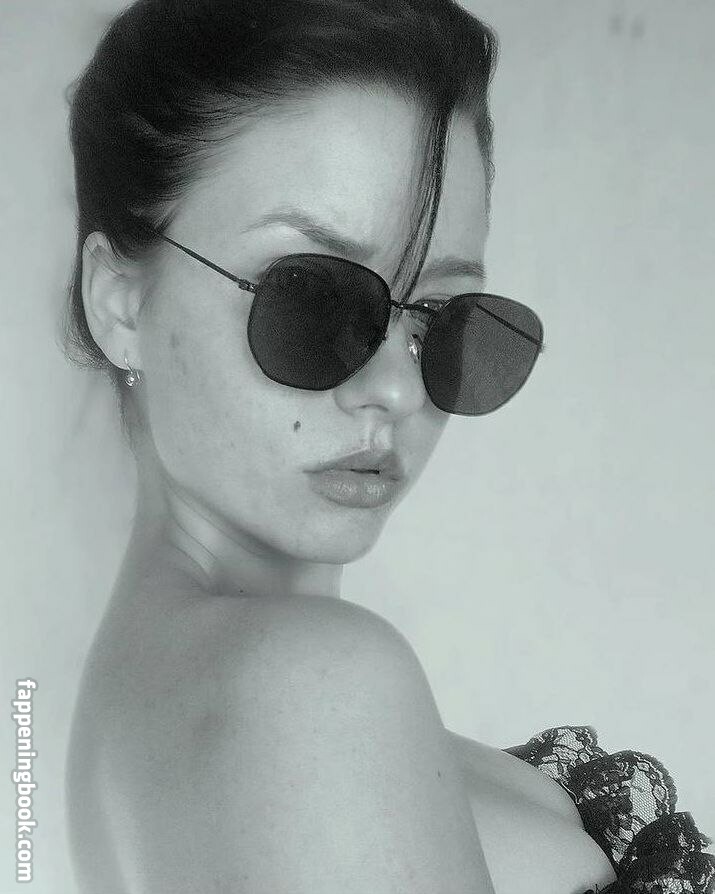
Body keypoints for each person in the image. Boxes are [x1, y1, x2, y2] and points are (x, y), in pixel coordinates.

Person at [63, 1, 714, 892]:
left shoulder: (163, 717)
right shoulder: (313, 691)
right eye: (312, 300)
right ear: (119, 303)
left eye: (442, 318)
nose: (398, 392)